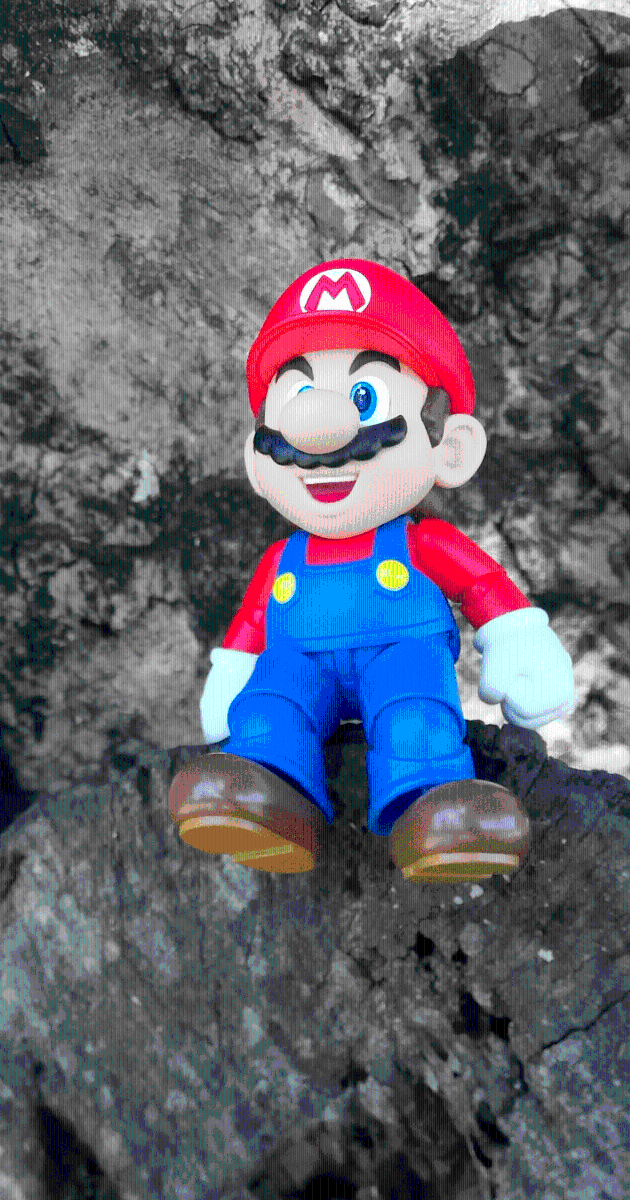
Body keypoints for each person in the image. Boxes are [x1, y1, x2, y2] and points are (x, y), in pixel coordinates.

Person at [168, 258, 576, 883]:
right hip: (298, 665)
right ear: (257, 459)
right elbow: (252, 624)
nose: (319, 435)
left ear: (450, 447)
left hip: (400, 656)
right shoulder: (281, 559)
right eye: (297, 397)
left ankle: (435, 812)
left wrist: (518, 639)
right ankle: (268, 797)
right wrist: (233, 677)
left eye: (365, 397)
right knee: (269, 709)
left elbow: (482, 586)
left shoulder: (422, 542)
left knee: (416, 714)